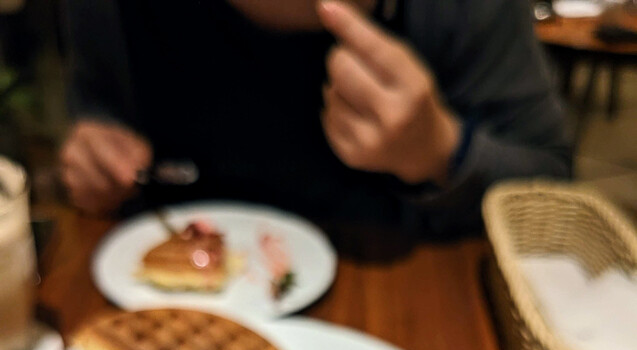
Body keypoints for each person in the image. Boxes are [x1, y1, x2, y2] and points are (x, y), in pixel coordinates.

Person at [59, 0, 571, 236]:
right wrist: (96, 158)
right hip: (165, 291)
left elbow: (553, 187)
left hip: (408, 312)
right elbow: (98, 112)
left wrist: (441, 150)